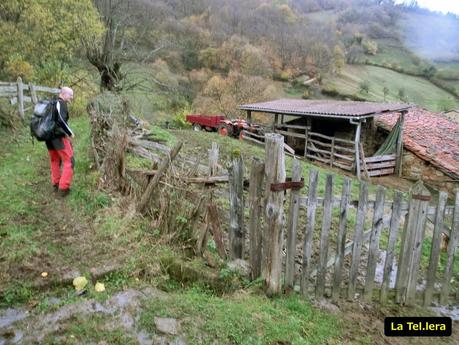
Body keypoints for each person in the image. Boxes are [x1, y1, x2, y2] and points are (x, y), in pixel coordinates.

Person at [46, 87, 75, 197]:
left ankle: (56, 184)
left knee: (55, 160)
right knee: (69, 161)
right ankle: (63, 189)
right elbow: (61, 120)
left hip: (48, 136)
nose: (72, 97)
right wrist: (70, 132)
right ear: (63, 94)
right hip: (58, 137)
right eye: (70, 95)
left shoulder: (51, 103)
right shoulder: (61, 103)